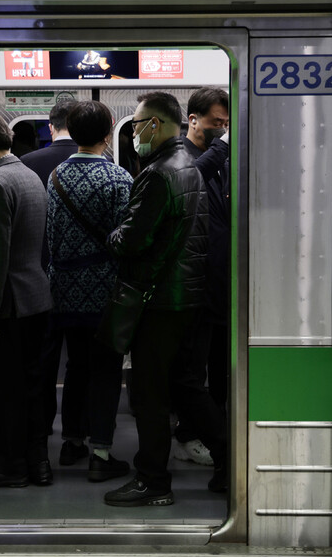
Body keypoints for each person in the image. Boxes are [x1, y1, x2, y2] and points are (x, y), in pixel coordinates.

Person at [102, 92, 221, 507]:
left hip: (159, 301)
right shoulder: (188, 167)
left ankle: (153, 481)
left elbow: (133, 240)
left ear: (156, 124)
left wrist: (113, 235)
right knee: (188, 387)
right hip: (190, 296)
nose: (134, 133)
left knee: (149, 395)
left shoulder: (158, 174)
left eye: (136, 125)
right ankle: (229, 461)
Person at [0, 111, 54, 488]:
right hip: (37, 297)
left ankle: (8, 466)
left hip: (8, 303)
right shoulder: (29, 176)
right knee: (34, 387)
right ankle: (38, 462)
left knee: (6, 390)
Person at [46, 101, 134, 481]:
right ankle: (100, 452)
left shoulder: (56, 177)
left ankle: (72, 441)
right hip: (105, 293)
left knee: (76, 365)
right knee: (107, 369)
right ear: (109, 131)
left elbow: (51, 238)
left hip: (63, 290)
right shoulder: (119, 179)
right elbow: (123, 242)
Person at [172, 87, 232, 467]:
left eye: (226, 124)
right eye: (215, 122)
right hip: (195, 280)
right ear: (192, 120)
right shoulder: (183, 157)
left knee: (219, 364)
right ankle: (191, 434)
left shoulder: (218, 159)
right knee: (192, 368)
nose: (221, 129)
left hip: (220, 279)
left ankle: (217, 430)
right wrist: (223, 145)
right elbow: (190, 181)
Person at [21, 99, 80, 437]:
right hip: (85, 282)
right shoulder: (105, 165)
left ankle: (40, 432)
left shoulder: (27, 163)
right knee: (80, 362)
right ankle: (76, 435)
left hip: (36, 277)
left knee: (41, 362)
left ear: (50, 126)